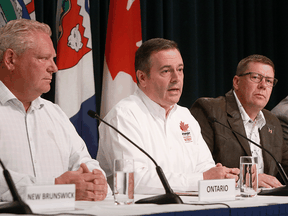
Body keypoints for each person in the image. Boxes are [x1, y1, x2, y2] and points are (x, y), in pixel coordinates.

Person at [97, 38, 239, 194]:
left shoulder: (185, 116)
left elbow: (203, 166)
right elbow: (133, 180)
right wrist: (202, 179)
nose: (176, 78)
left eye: (180, 69)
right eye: (166, 71)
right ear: (142, 77)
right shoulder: (124, 116)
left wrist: (224, 175)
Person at [0, 19, 109, 201]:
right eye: (43, 58)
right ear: (11, 59)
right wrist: (54, 187)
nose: (54, 68)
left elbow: (82, 160)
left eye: (53, 59)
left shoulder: (54, 113)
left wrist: (95, 179)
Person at [190, 54, 288, 188]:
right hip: (226, 203)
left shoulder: (272, 122)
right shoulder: (210, 111)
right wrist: (246, 180)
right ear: (236, 82)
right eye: (255, 77)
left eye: (269, 81)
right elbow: (201, 168)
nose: (263, 85)